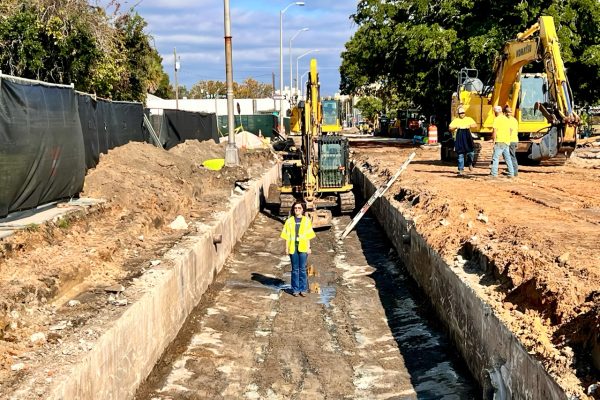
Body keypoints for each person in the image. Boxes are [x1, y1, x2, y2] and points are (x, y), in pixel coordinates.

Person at [280, 201, 316, 297]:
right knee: (295, 269)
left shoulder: (306, 221)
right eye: (295, 208)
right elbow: (287, 236)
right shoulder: (289, 221)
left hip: (303, 247)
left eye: (299, 208)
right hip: (293, 248)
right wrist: (286, 248)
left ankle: (303, 289)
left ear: (303, 209)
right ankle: (295, 289)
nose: (297, 210)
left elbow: (308, 235)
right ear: (293, 209)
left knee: (303, 269)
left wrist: (309, 247)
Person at [448, 106, 477, 175]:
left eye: (463, 113)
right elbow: (450, 128)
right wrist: (455, 127)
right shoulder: (456, 120)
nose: (462, 114)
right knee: (460, 154)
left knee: (471, 152)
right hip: (459, 138)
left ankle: (470, 163)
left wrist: (469, 126)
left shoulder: (469, 119)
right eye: (461, 113)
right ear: (458, 114)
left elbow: (475, 125)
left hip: (467, 137)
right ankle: (461, 169)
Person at [491, 105, 515, 177]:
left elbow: (494, 131)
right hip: (506, 141)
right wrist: (508, 137)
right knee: (508, 158)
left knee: (495, 158)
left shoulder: (497, 119)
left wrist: (494, 141)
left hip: (500, 141)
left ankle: (494, 174)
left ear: (495, 112)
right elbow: (511, 130)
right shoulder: (506, 119)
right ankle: (511, 173)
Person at [505, 106, 519, 177]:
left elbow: (510, 130)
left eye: (509, 112)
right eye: (507, 112)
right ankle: (512, 171)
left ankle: (514, 172)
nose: (508, 114)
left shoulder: (509, 120)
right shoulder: (515, 120)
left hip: (510, 140)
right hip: (514, 139)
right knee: (511, 156)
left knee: (511, 156)